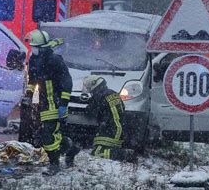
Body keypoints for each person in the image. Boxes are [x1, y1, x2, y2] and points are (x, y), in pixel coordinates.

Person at [22, 29, 80, 175]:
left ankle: (54, 165)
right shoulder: (34, 60)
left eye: (34, 47)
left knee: (48, 135)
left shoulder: (55, 60)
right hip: (43, 103)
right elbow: (32, 80)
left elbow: (67, 82)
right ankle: (71, 149)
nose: (32, 49)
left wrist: (63, 105)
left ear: (41, 47)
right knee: (51, 134)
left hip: (56, 102)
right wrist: (29, 95)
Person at [82, 75, 135, 162]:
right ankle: (120, 150)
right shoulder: (113, 93)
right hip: (122, 129)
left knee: (97, 152)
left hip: (110, 130)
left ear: (94, 85)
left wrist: (89, 104)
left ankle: (124, 154)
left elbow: (90, 112)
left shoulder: (98, 96)